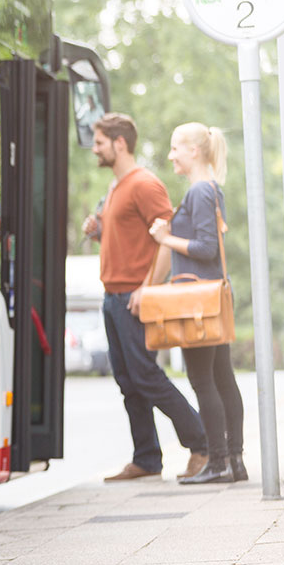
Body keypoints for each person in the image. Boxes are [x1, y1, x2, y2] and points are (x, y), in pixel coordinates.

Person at [82, 113, 208, 482]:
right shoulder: (116, 186)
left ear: (120, 144)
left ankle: (204, 444)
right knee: (127, 379)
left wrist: (149, 288)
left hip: (135, 297)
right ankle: (148, 458)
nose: (95, 149)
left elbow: (166, 241)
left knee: (146, 376)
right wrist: (98, 232)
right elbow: (127, 239)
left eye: (100, 142)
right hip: (113, 296)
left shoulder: (145, 184)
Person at [149, 123, 247, 484]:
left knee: (204, 380)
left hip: (198, 302)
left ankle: (219, 462)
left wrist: (165, 237)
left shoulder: (200, 192)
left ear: (194, 151)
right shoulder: (209, 190)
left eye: (176, 148)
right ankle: (233, 461)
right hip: (210, 298)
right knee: (222, 378)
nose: (171, 155)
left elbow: (205, 248)